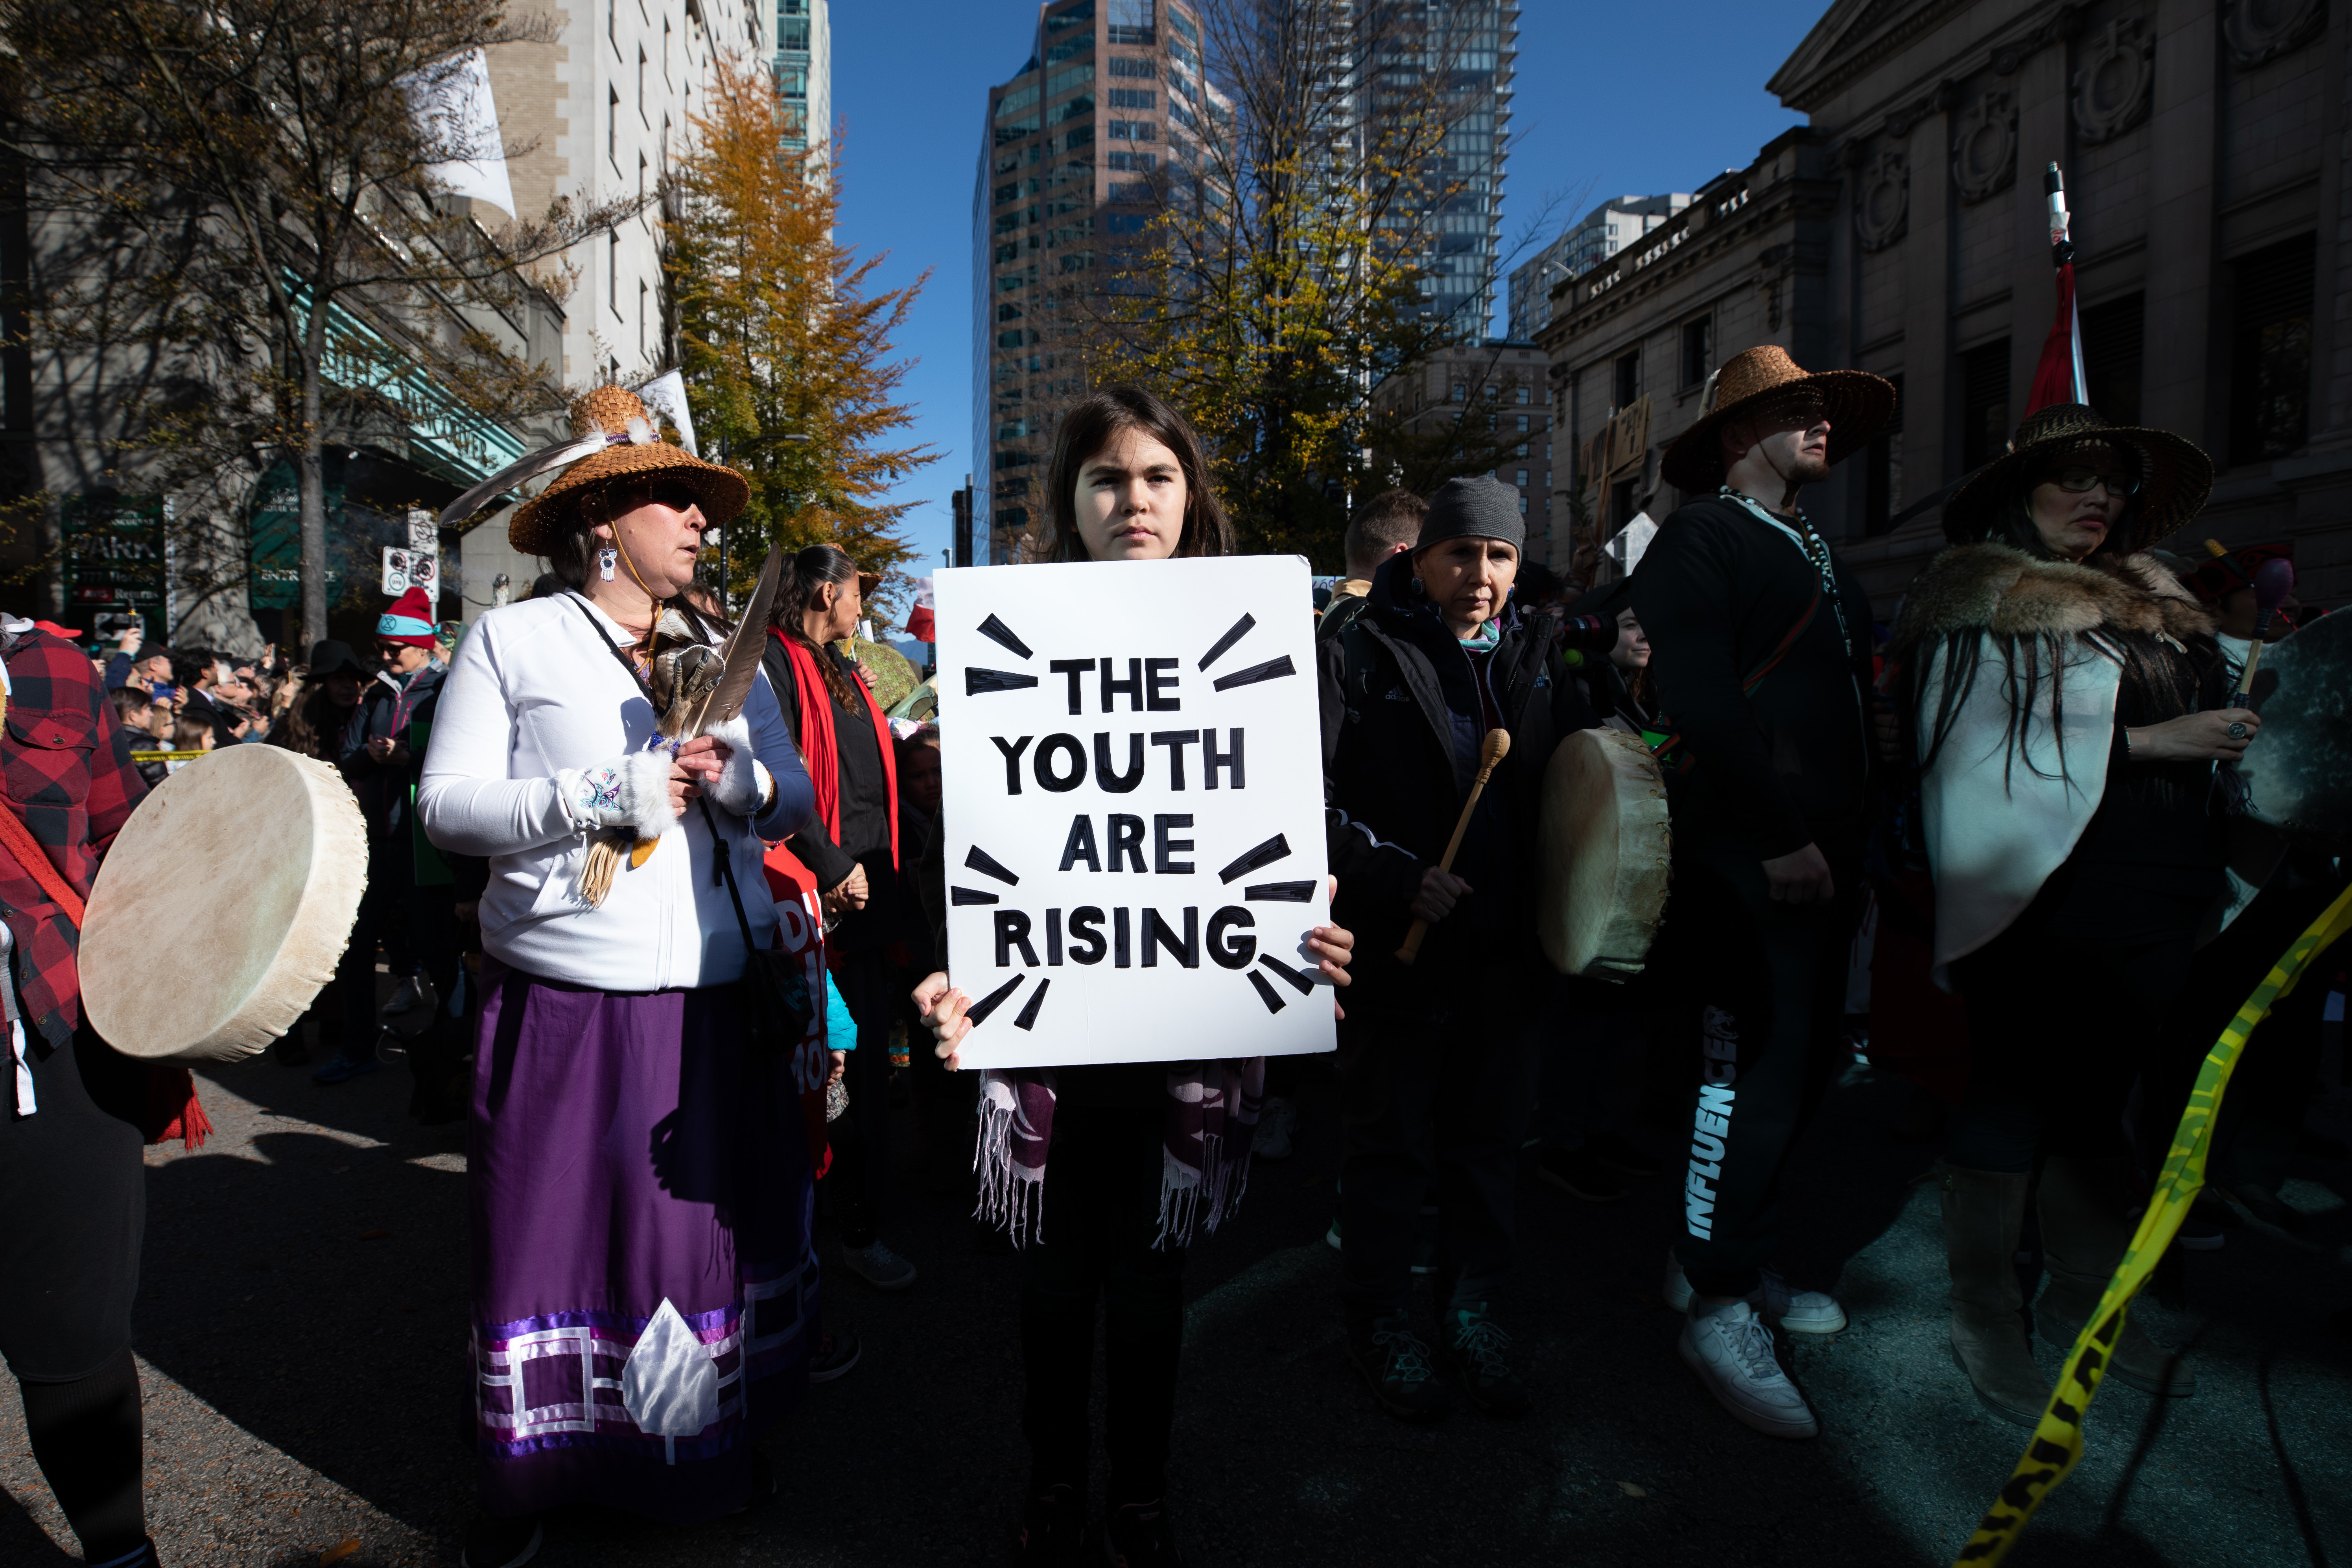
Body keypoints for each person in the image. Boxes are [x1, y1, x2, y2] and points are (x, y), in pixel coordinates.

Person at [912, 386, 1356, 1568]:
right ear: (1069, 501)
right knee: (1055, 1289)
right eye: (1107, 478)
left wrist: (1304, 929)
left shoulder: (1255, 644)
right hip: (1057, 1032)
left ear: (1190, 493)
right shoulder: (1014, 640)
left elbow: (1269, 823)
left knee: (1154, 1290)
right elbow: (971, 834)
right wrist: (948, 968)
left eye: (1158, 476)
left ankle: (1142, 1493)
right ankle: (1056, 1485)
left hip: (1182, 1026)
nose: (1134, 500)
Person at [418, 383, 817, 1568]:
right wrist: (602, 795)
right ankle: (536, 1478)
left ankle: (691, 1454)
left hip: (710, 1001)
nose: (700, 522)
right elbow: (447, 808)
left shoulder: (726, 653)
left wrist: (742, 785)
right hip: (566, 1005)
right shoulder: (512, 640)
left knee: (689, 1250)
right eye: (673, 499)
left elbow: (793, 796)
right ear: (603, 522)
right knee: (549, 1244)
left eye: (702, 505)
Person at [1893, 402, 2239, 1425]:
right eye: (2074, 474)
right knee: (2009, 1101)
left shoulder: (2163, 605)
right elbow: (1962, 759)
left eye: (2113, 481)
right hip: (2043, 898)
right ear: (2019, 489)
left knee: (2098, 1109)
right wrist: (2158, 744)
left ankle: (2093, 1310)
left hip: (2160, 896)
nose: (2096, 496)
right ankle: (1984, 1314)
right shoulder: (1980, 598)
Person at [1631, 345, 1894, 1439]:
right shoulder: (1700, 534)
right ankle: (1717, 1303)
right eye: (1795, 410)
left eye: (1822, 406)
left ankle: (1731, 1255)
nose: (1820, 421)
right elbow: (1697, 696)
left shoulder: (1811, 542)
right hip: (1752, 862)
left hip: (1823, 857)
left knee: (1797, 1070)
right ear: (1740, 435)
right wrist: (1779, 834)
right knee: (1742, 1079)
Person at [1317, 474, 1604, 1422]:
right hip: (1398, 955)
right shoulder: (1355, 653)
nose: (1479, 574)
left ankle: (1472, 1310)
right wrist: (1399, 875)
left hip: (1507, 959)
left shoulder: (1545, 653)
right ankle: (1380, 1319)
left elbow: (1579, 792)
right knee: (1388, 1149)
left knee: (1486, 1151)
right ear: (1422, 557)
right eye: (1461, 552)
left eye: (1499, 555)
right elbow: (1304, 804)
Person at [0, 613, 170, 1568]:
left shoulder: (51, 665)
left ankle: (119, 1556)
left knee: (76, 1333)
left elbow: (129, 836)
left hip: (54, 1038)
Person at [758, 546, 916, 1291]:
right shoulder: (778, 663)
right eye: (858, 592)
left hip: (867, 902)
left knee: (864, 1078)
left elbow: (868, 770)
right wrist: (830, 866)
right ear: (828, 590)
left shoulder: (846, 670)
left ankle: (863, 1216)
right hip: (819, 906)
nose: (863, 606)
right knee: (827, 1079)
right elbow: (776, 772)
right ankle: (837, 1232)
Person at [314, 588, 461, 1111]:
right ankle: (358, 1047)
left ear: (422, 647)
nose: (385, 655)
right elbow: (348, 757)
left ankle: (460, 1052)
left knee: (439, 951)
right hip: (374, 844)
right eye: (382, 645)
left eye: (395, 646)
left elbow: (464, 757)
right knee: (354, 949)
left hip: (426, 845)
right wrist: (376, 758)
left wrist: (410, 758)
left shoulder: (447, 691)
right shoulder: (376, 695)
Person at [1320, 488, 1427, 642]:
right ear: (1400, 555)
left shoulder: (1327, 614)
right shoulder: (1380, 626)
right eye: (1421, 560)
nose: (1425, 571)